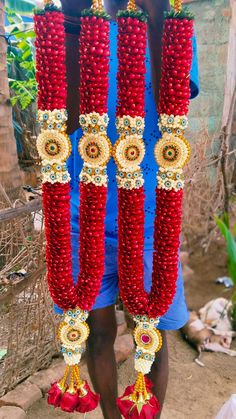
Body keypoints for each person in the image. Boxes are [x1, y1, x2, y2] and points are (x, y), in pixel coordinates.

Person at [57, 1, 200, 418]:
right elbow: (65, 120)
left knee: (148, 331)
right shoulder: (81, 25)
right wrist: (71, 24)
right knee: (97, 333)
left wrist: (155, 14)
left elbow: (174, 105)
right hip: (85, 210)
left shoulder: (174, 23)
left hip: (153, 210)